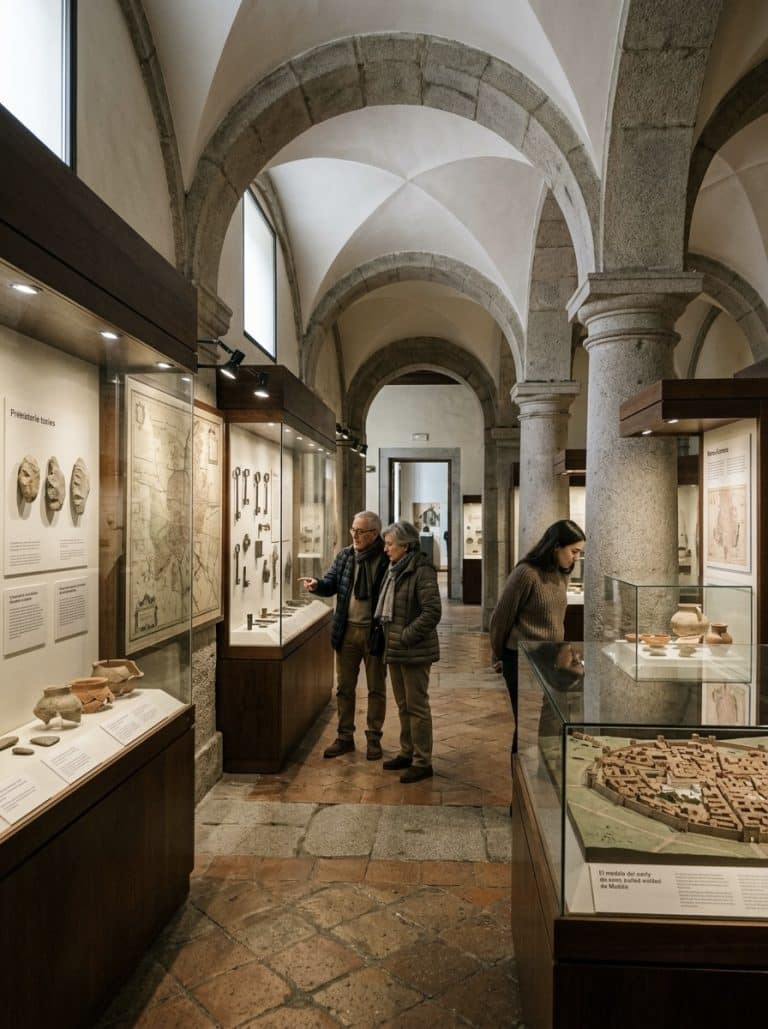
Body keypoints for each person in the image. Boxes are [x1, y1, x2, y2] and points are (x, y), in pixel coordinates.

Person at [490, 519, 585, 759]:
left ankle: (545, 775)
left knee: (552, 719)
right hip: (523, 657)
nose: (575, 558)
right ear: (556, 546)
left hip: (552, 657)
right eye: (573, 551)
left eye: (579, 553)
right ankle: (519, 785)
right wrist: (498, 654)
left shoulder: (560, 574)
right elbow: (501, 617)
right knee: (525, 728)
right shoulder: (526, 573)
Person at [301, 510, 389, 760]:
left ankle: (374, 738)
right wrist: (317, 584)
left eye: (360, 531)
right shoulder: (345, 556)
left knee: (376, 689)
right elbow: (331, 583)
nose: (355, 535)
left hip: (374, 634)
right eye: (353, 530)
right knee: (344, 688)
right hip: (346, 631)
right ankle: (344, 737)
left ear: (374, 534)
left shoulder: (385, 559)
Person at [375, 520, 442, 783]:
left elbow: (432, 612)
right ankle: (407, 751)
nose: (386, 549)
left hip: (413, 649)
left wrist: (405, 636)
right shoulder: (394, 569)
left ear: (405, 545)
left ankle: (422, 761)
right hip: (396, 648)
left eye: (390, 544)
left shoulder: (421, 571)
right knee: (404, 705)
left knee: (417, 706)